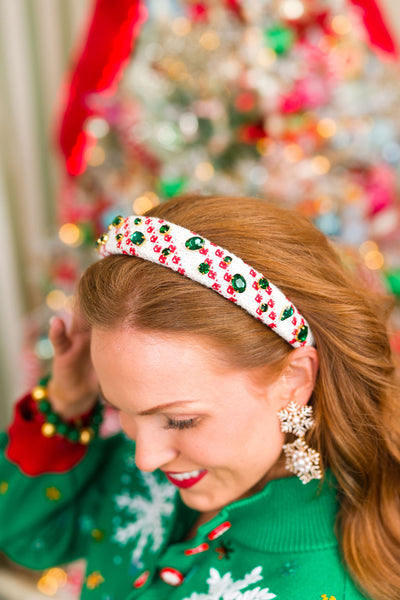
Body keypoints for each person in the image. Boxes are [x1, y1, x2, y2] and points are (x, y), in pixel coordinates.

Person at [1, 195, 400, 600]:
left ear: (293, 379)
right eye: (118, 407)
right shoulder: (148, 469)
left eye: (180, 420)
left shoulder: (321, 586)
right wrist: (67, 402)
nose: (146, 457)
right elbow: (28, 535)